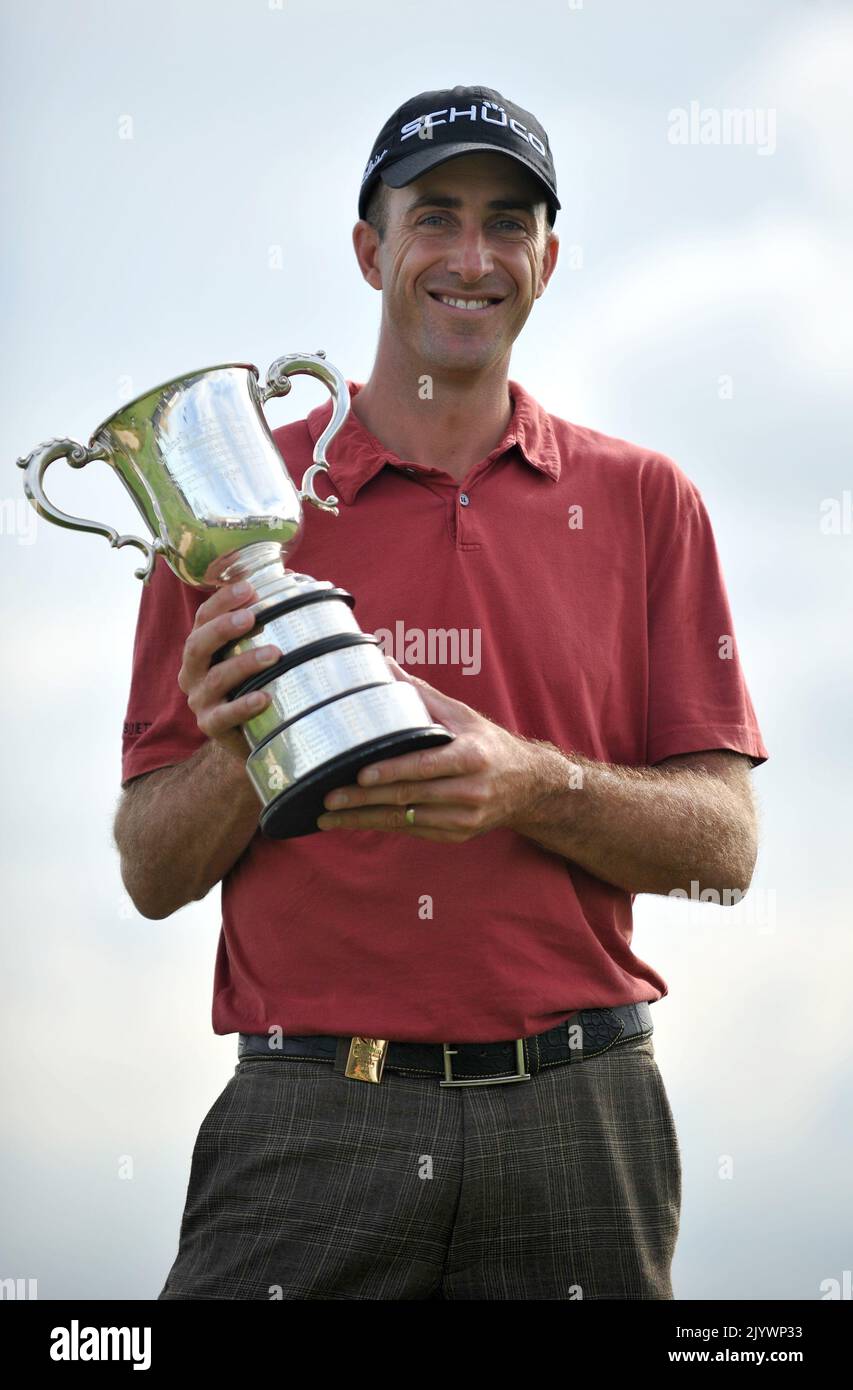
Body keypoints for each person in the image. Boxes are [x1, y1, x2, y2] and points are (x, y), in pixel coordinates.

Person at [114, 84, 768, 1301]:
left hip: (583, 1112)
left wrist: (530, 781)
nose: (473, 257)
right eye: (437, 218)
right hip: (311, 1120)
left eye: (508, 222)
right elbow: (153, 874)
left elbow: (723, 850)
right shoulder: (225, 522)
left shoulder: (644, 499)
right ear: (370, 250)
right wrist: (235, 748)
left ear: (547, 260)